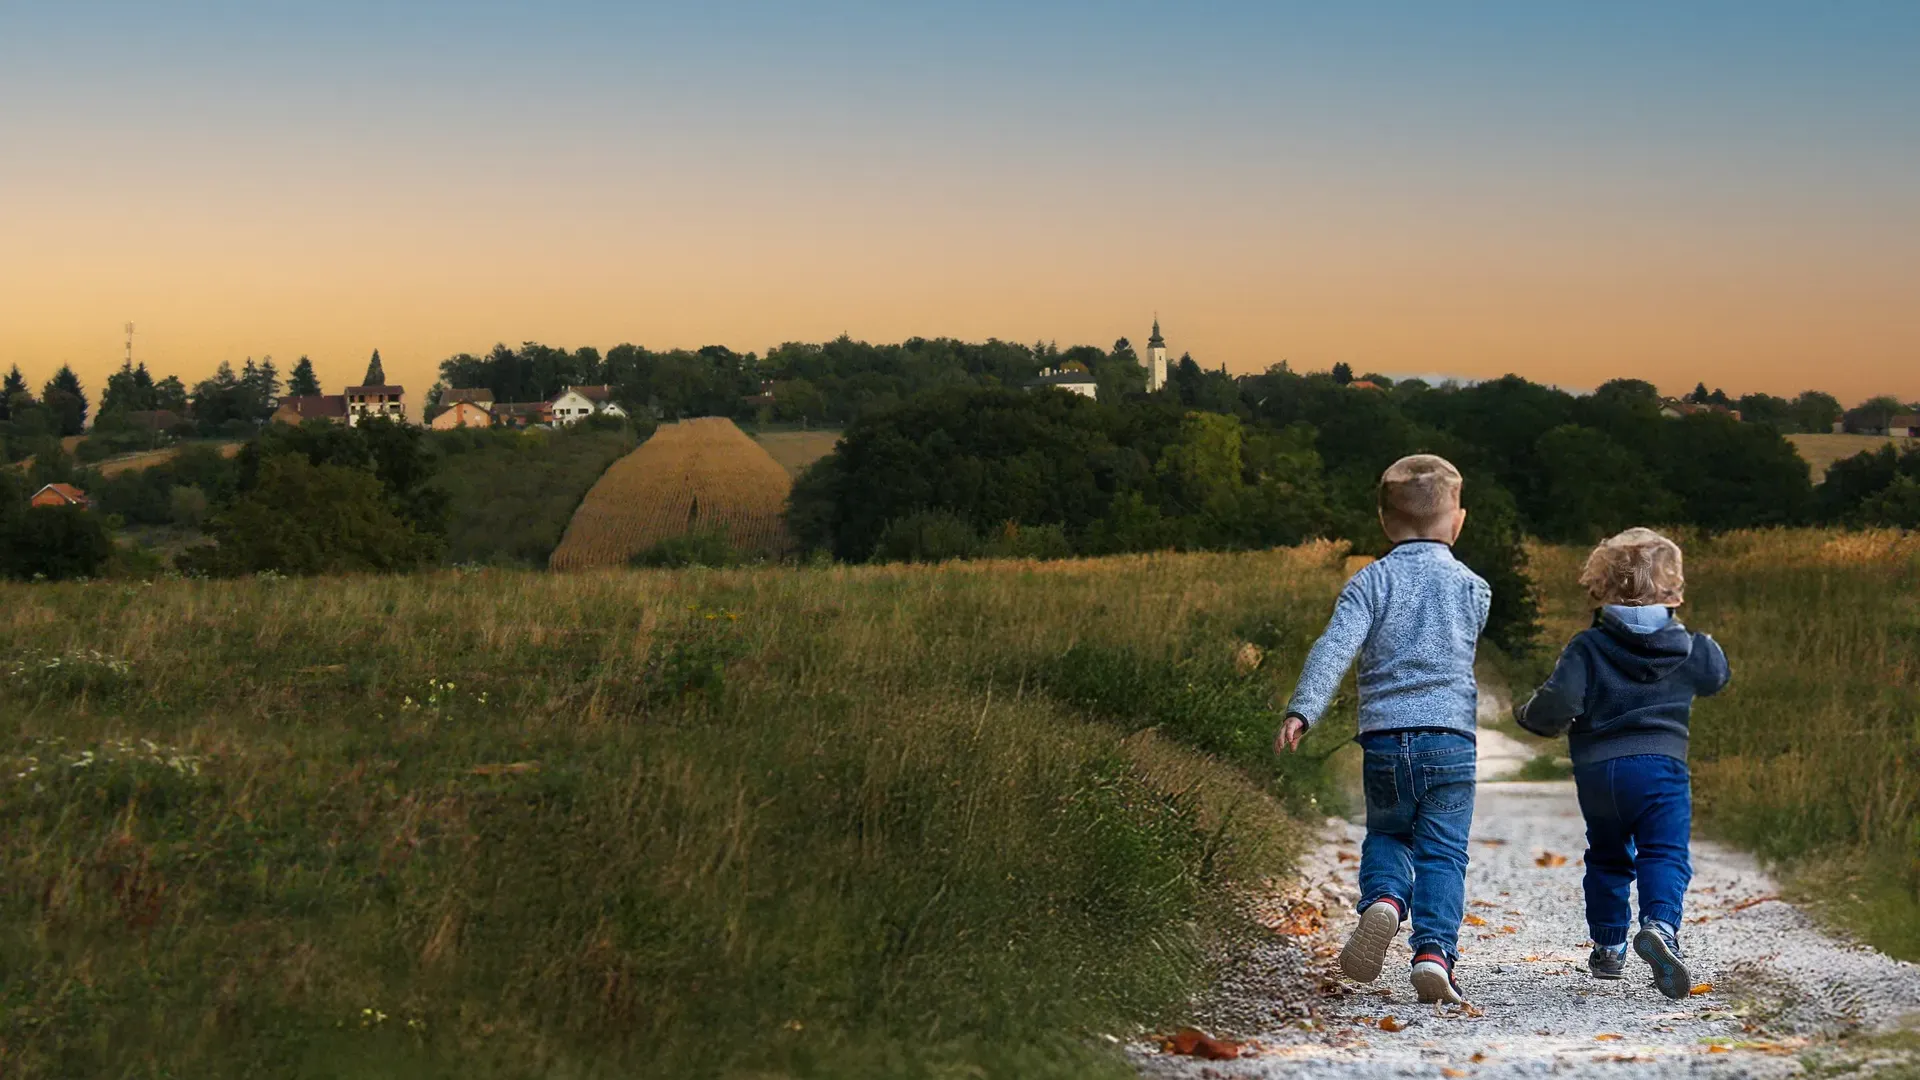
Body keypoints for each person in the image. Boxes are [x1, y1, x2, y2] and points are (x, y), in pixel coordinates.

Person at [1276, 454, 1489, 1005]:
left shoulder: (1369, 582)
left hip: (1387, 740)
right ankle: (1434, 954)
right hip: (1451, 742)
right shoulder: (1473, 588)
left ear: (1384, 522)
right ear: (1458, 521)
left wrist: (1303, 710)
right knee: (1443, 853)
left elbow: (1334, 648)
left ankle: (1385, 902)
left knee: (1390, 833)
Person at [1514, 527, 1730, 1000]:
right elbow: (1715, 677)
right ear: (1674, 589)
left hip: (1600, 774)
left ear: (1599, 586)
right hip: (1662, 767)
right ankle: (1659, 927)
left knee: (1608, 854)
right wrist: (1705, 643)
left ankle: (1609, 946)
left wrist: (1529, 717)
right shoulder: (1690, 647)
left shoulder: (1587, 647)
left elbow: (1559, 700)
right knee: (1663, 851)